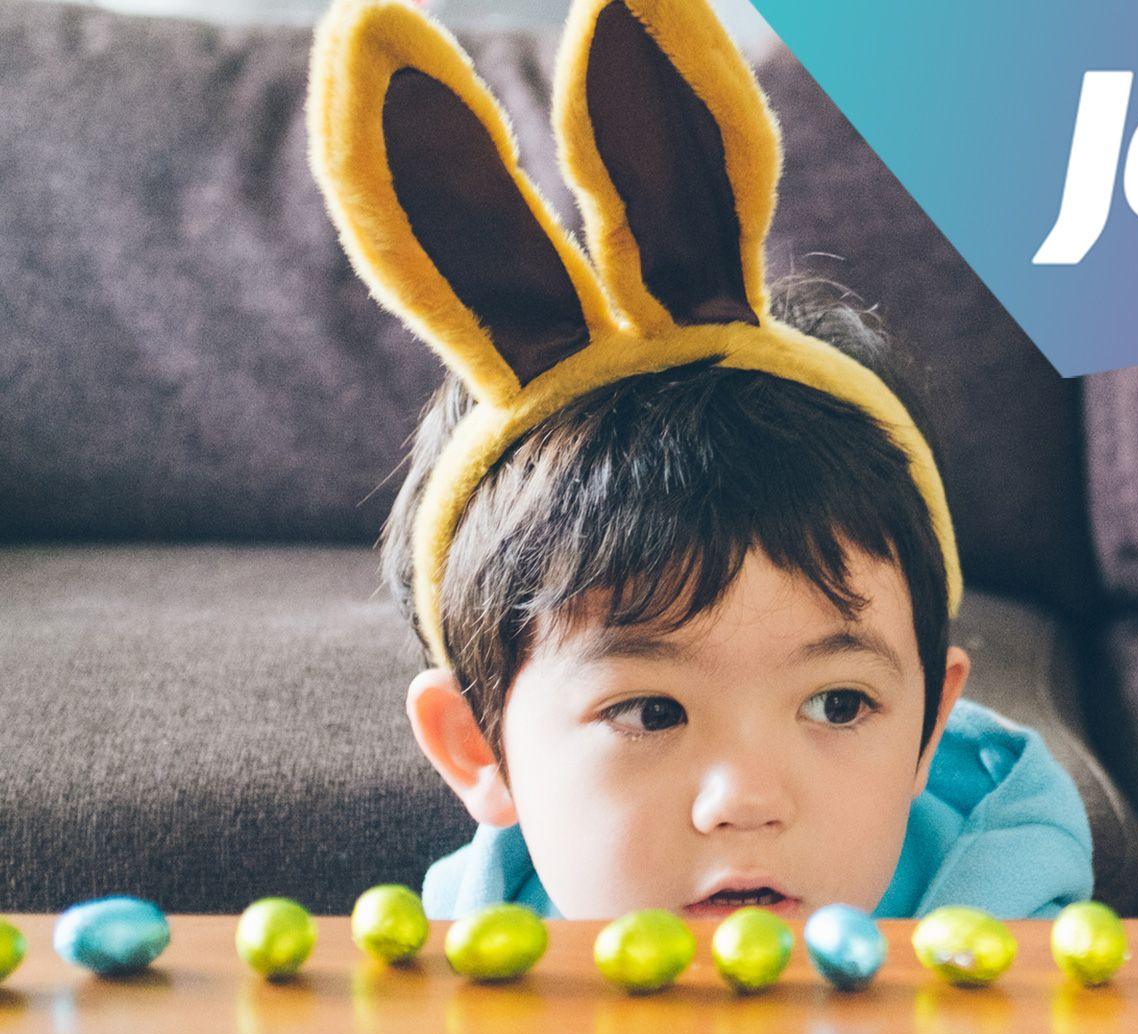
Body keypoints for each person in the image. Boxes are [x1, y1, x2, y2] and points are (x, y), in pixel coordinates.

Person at [305, 0, 1094, 921]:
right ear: (479, 747)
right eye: (649, 712)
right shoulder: (461, 975)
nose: (747, 802)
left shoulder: (1014, 949)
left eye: (839, 705)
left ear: (927, 730)